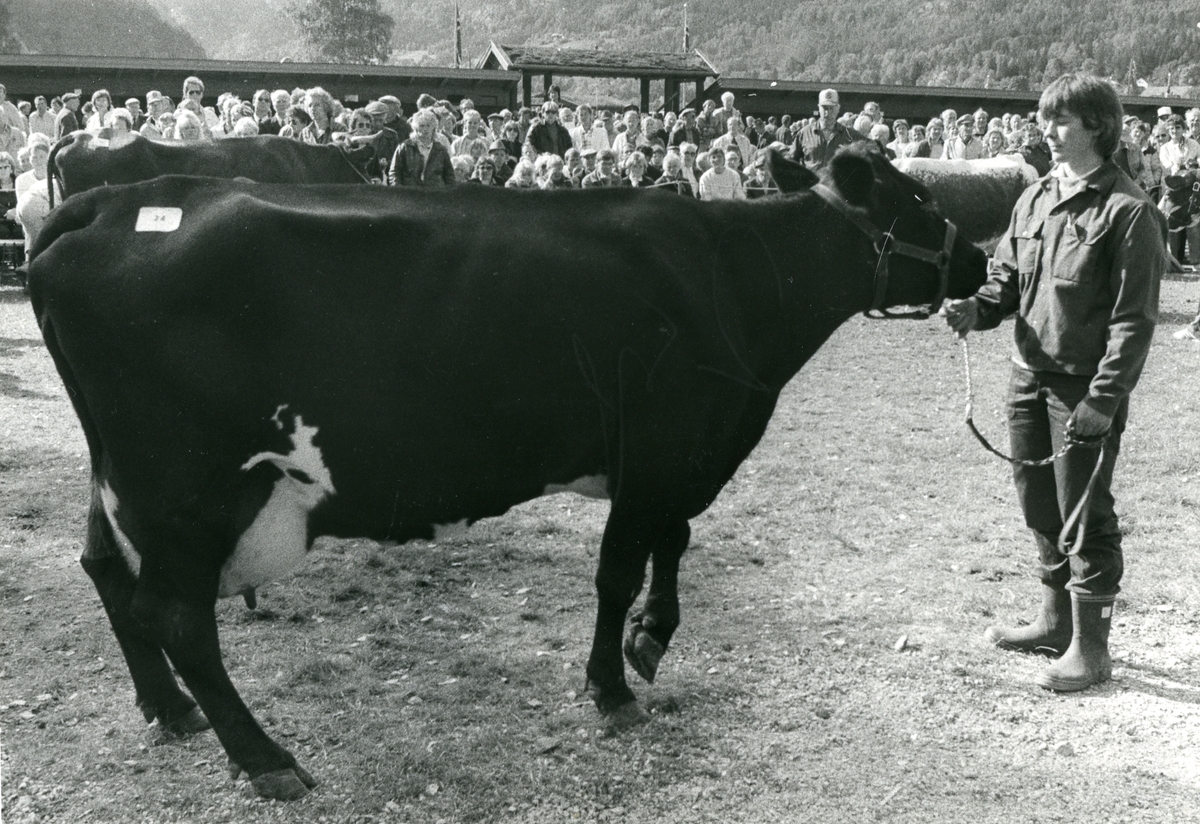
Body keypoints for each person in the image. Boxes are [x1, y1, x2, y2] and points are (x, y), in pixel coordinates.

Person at [941, 73, 1168, 693]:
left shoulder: (1129, 213)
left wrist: (1102, 400)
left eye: (1061, 121)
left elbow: (1134, 321)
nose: (1046, 130)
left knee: (1084, 514)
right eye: (1044, 119)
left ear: (1098, 127)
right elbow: (1006, 283)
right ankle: (1053, 623)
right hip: (1025, 378)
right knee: (1039, 506)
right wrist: (976, 310)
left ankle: (1091, 651)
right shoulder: (1035, 198)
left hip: (1080, 392)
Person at [792, 89, 863, 169]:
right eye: (824, 108)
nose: (827, 113)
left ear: (838, 108)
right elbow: (790, 161)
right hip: (813, 181)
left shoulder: (850, 135)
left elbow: (872, 152)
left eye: (831, 108)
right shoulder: (804, 133)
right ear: (819, 108)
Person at [389, 108, 455, 187]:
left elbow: (449, 176)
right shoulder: (405, 147)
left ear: (434, 128)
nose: (425, 129)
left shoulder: (441, 150)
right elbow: (394, 172)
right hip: (409, 194)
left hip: (434, 194)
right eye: (422, 125)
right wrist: (399, 191)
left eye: (428, 125)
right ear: (415, 128)